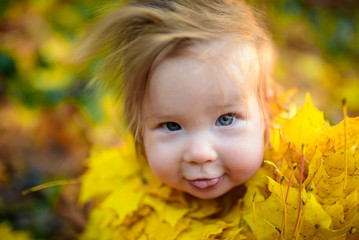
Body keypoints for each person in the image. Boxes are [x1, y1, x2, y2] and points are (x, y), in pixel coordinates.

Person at [78, 0, 275, 199]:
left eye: (226, 119)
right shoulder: (127, 207)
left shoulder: (296, 201)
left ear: (266, 108)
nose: (200, 154)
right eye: (172, 125)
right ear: (138, 127)